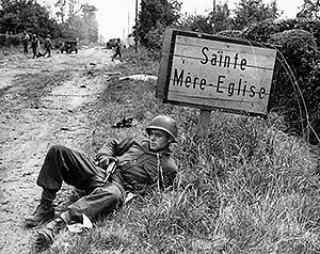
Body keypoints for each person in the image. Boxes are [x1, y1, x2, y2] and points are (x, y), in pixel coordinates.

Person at [25, 115, 178, 251]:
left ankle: (58, 223)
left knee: (113, 194)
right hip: (102, 173)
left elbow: (158, 193)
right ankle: (46, 206)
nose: (153, 138)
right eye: (151, 133)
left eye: (159, 136)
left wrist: (135, 194)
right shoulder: (136, 143)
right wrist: (105, 156)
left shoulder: (167, 166)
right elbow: (112, 144)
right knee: (58, 150)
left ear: (169, 140)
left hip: (118, 187)